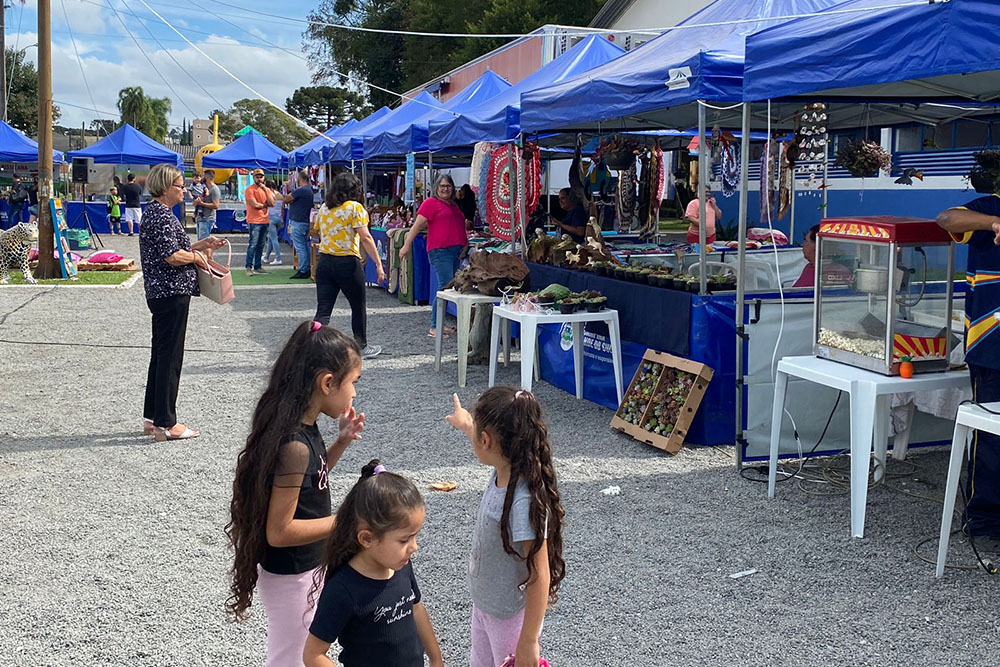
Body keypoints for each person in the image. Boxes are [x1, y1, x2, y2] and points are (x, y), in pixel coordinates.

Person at [226, 321, 366, 667]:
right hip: (292, 575)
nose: (354, 395)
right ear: (327, 382)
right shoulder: (294, 445)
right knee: (294, 658)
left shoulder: (305, 425)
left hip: (305, 569)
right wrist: (344, 522)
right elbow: (279, 532)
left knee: (301, 654)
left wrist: (341, 442)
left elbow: (311, 479)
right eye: (353, 384)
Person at [446, 388, 566, 667]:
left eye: (476, 432)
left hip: (509, 618)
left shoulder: (522, 501)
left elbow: (540, 575)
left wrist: (528, 641)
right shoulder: (506, 466)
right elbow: (482, 437)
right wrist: (465, 424)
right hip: (486, 605)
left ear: (486, 440)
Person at [303, 461, 444, 667]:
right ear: (367, 539)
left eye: (415, 537)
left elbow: (416, 609)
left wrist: (436, 658)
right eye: (404, 540)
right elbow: (313, 654)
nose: (414, 547)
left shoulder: (402, 566)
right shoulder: (343, 590)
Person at [138, 163, 225, 441]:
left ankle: (153, 418)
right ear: (164, 188)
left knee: (161, 355)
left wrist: (200, 245)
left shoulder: (156, 213)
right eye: (179, 185)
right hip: (170, 292)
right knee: (170, 358)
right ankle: (167, 423)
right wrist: (199, 258)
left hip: (162, 292)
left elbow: (177, 249)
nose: (184, 190)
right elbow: (172, 256)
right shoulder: (162, 216)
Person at [936, 196, 1000, 540]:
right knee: (991, 441)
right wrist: (992, 223)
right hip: (992, 347)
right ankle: (984, 520)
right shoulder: (992, 205)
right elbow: (946, 219)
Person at [314, 172, 385, 360]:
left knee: (323, 309)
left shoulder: (324, 208)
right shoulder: (355, 208)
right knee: (358, 305)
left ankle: (313, 347)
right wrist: (378, 264)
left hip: (325, 261)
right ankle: (361, 345)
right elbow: (366, 238)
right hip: (347, 262)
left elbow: (317, 230)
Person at [400, 174, 468, 338]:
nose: (445, 189)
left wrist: (465, 245)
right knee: (444, 288)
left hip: (455, 251)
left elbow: (458, 226)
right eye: (442, 186)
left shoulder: (453, 205)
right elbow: (417, 226)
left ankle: (440, 323)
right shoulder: (430, 203)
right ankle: (434, 326)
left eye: (449, 186)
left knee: (450, 287)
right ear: (437, 187)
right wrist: (406, 245)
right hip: (440, 251)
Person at [792, 224, 853, 288]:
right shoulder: (809, 268)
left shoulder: (834, 271)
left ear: (817, 246)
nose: (802, 245)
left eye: (806, 241)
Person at [284, 170, 316, 279]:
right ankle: (306, 267)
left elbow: (287, 199)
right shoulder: (309, 191)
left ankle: (303, 269)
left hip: (298, 222)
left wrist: (284, 196)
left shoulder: (300, 190)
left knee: (300, 246)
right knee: (304, 245)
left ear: (300, 179)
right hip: (304, 221)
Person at [244, 168, 275, 276]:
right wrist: (265, 205)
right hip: (254, 220)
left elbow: (272, 203)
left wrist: (265, 190)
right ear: (253, 178)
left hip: (265, 220)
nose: (259, 178)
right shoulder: (249, 190)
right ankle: (248, 266)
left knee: (261, 244)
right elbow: (255, 205)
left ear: (264, 177)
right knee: (253, 244)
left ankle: (258, 266)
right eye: (257, 177)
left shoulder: (266, 190)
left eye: (261, 176)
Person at [193, 170, 221, 241]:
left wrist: (202, 203)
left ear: (207, 177)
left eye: (203, 176)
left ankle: (205, 252)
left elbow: (216, 205)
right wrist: (196, 203)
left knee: (203, 241)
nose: (201, 178)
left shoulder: (214, 189)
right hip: (200, 218)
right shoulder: (203, 189)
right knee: (201, 241)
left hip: (207, 218)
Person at [264, 179, 284, 265]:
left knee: (274, 239)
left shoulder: (268, 195)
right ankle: (266, 257)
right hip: (279, 218)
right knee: (271, 239)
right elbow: (283, 208)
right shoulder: (280, 195)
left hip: (270, 218)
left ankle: (278, 258)